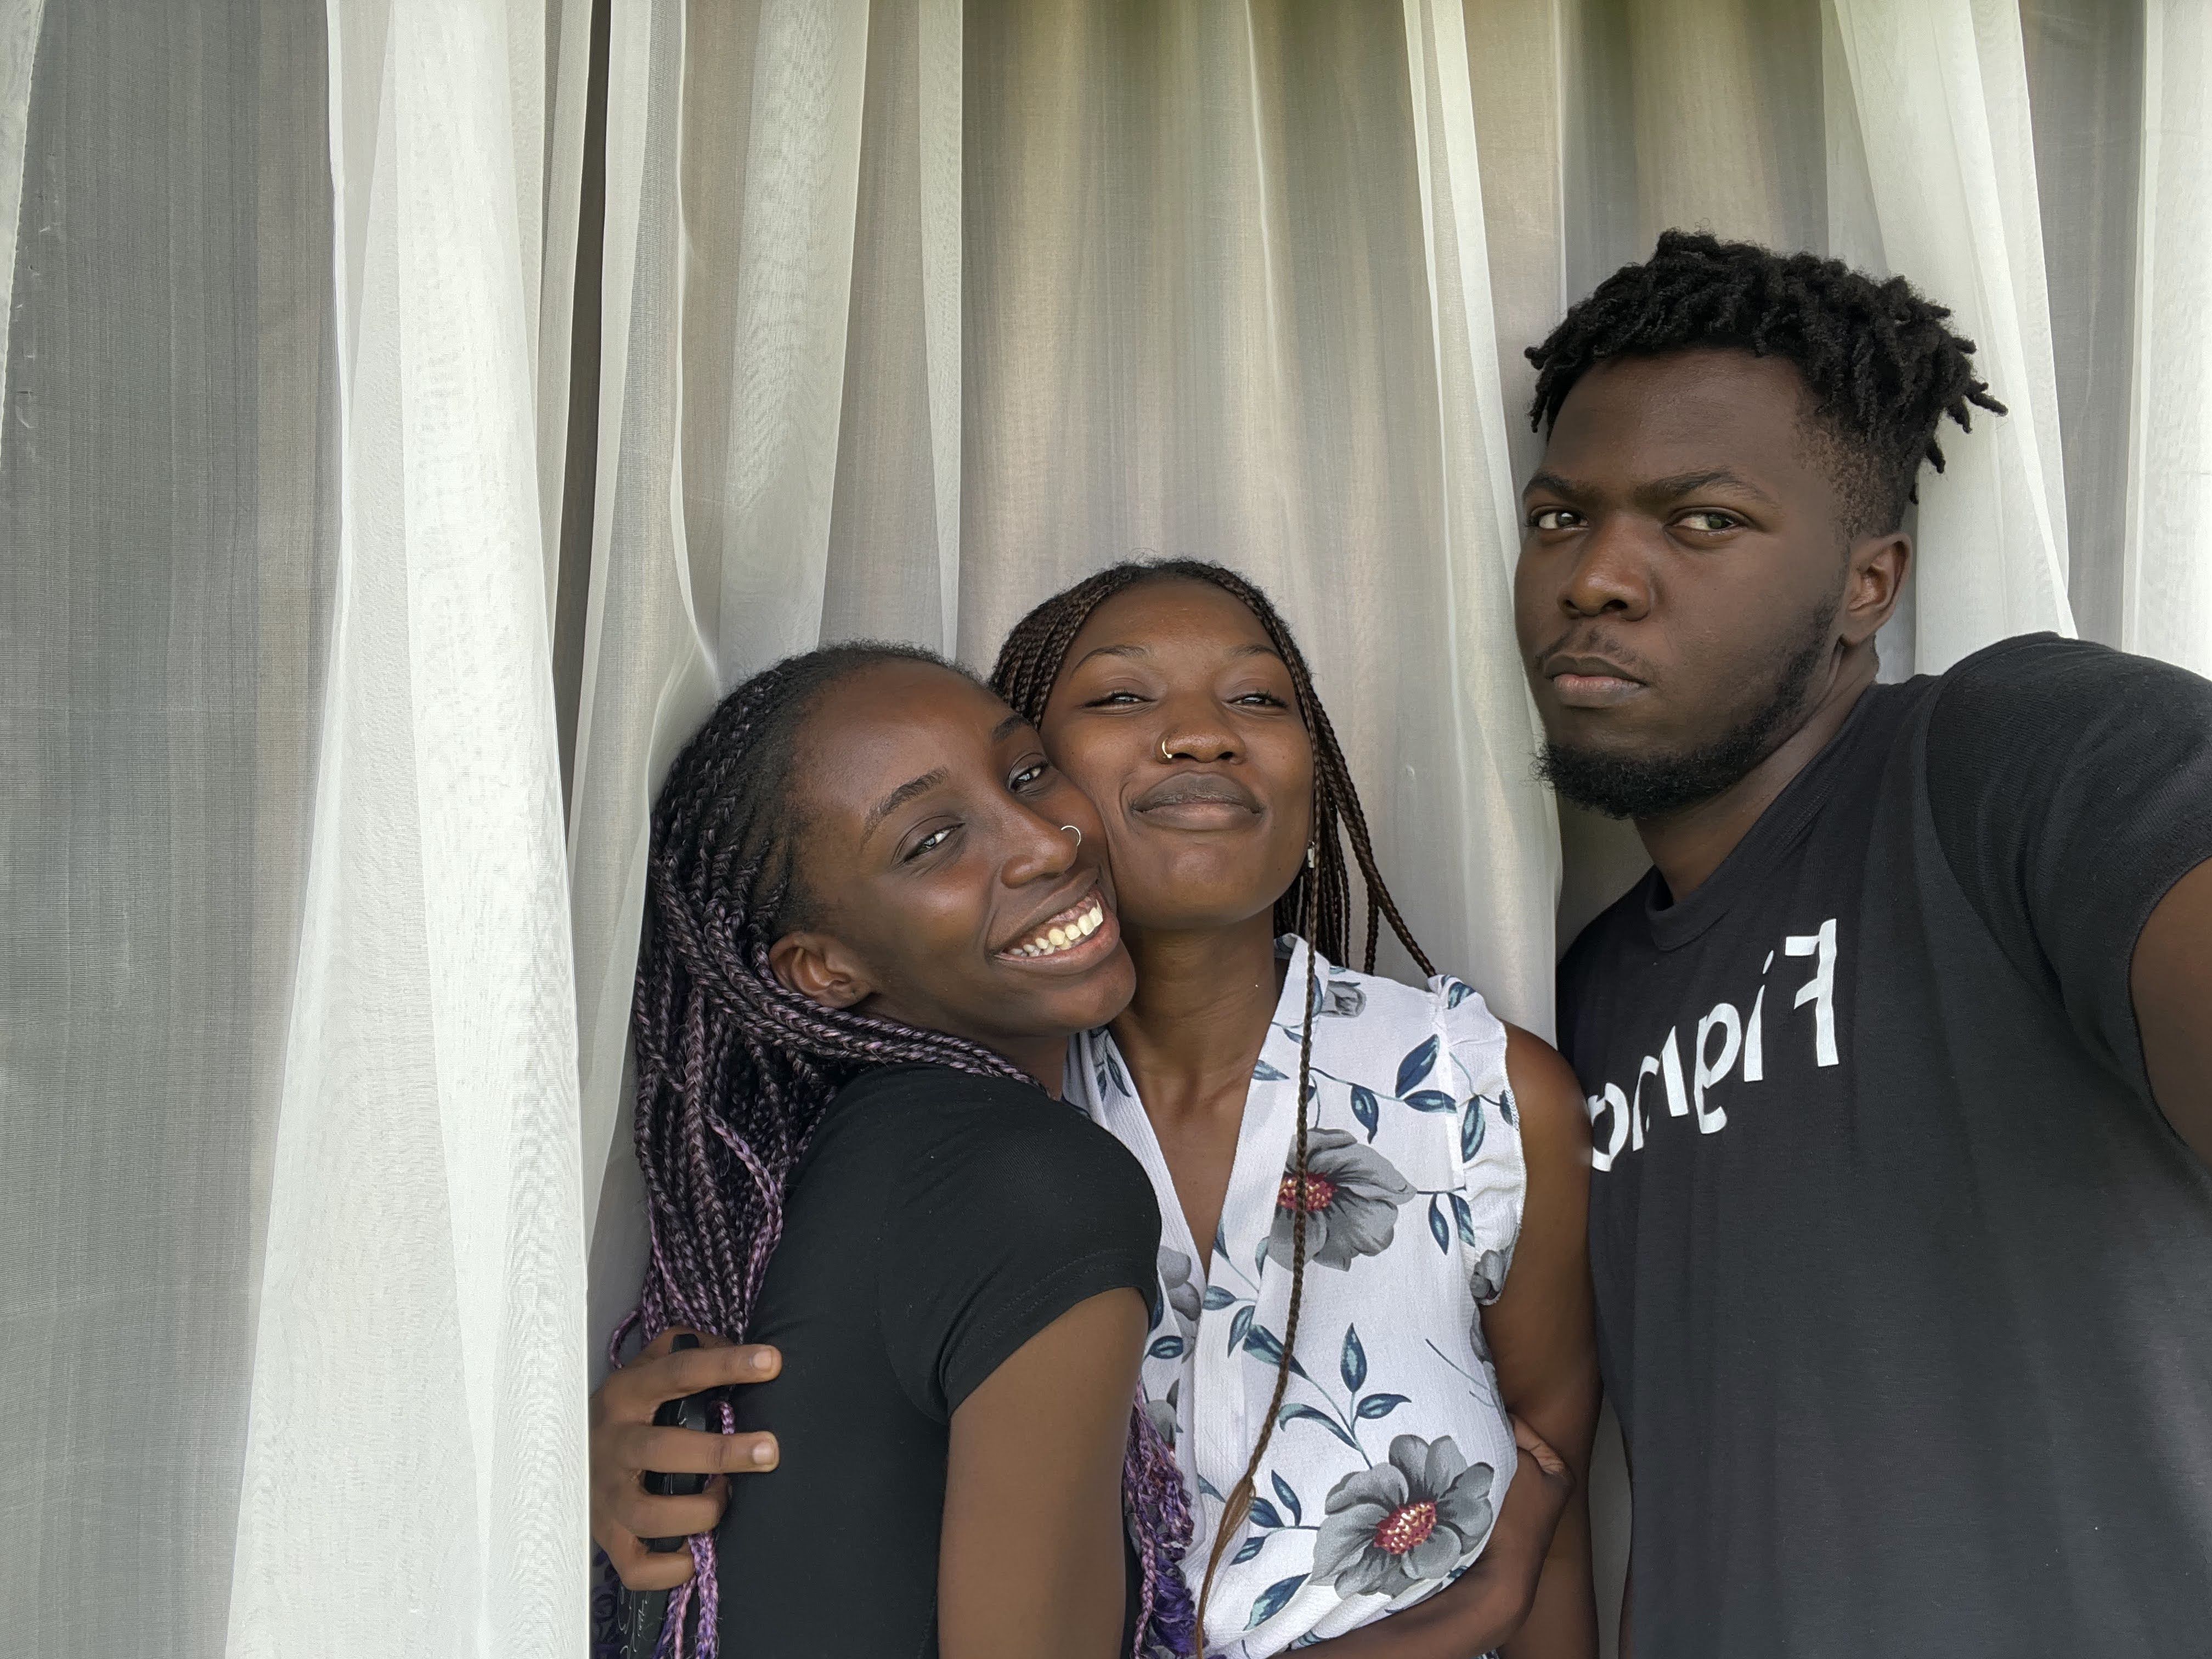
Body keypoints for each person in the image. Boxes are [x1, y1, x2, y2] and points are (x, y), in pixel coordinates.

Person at [595, 565, 1596, 1659]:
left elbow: (1550, 1507)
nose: (1203, 734)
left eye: (1258, 698)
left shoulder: (1475, 1097)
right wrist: (603, 1460)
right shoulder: (924, 1144)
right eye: (1122, 697)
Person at [1515, 231, 2212, 1658]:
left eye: (1702, 520)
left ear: (1868, 585)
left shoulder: (2009, 757)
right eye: (1561, 517)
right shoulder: (1581, 1001)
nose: (1597, 577)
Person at [601, 640, 1193, 1659]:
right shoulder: (1034, 1184)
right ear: (824, 969)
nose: (1045, 843)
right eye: (932, 842)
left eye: (1027, 774)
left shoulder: (838, 1171)